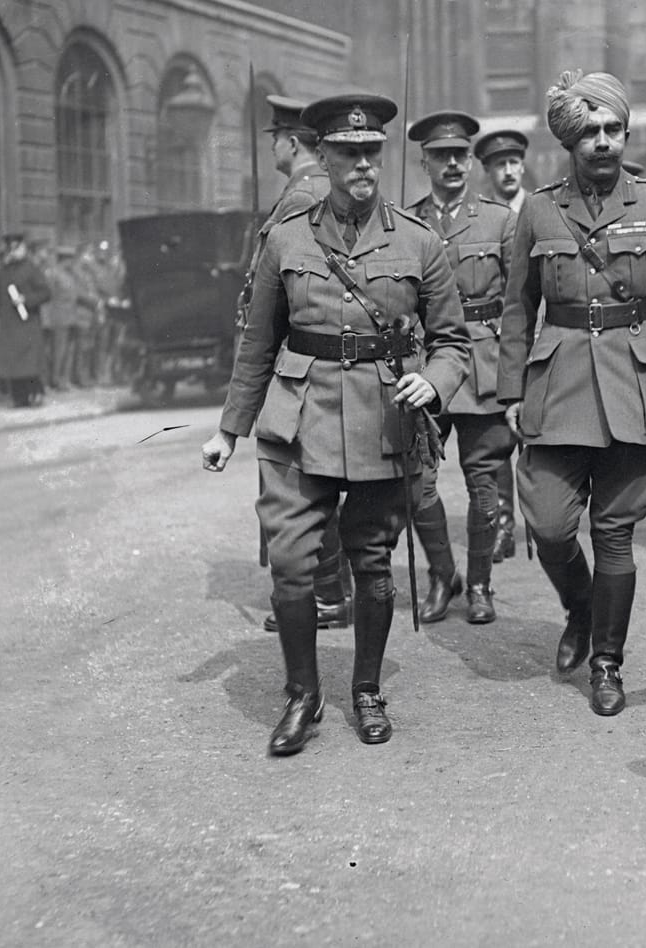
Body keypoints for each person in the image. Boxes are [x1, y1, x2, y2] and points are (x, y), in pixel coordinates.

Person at [201, 92, 471, 756]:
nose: (363, 166)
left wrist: (431, 386)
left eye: (372, 153)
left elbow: (455, 343)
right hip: (297, 418)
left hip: (385, 416)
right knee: (291, 565)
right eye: (348, 153)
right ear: (321, 155)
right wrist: (228, 431)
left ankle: (369, 688)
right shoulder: (287, 240)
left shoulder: (417, 240)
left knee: (373, 562)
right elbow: (258, 344)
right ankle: (302, 695)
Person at [497, 70, 646, 716]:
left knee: (614, 532)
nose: (602, 141)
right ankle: (580, 607)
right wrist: (512, 388)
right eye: (589, 131)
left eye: (612, 129)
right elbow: (518, 307)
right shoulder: (539, 209)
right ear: (569, 140)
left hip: (638, 383)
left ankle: (607, 664)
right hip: (559, 383)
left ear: (626, 132)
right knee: (548, 524)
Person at [246, 95, 352, 634]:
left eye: (274, 138)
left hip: (298, 356)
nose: (271, 147)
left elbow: (277, 284)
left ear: (292, 142)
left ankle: (324, 591)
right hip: (303, 352)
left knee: (301, 474)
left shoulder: (301, 195)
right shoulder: (308, 190)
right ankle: (328, 587)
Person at [405, 111, 517, 624]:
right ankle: (442, 574)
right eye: (440, 156)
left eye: (460, 155)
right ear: (423, 161)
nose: (452, 163)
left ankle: (479, 584)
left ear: (471, 161)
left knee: (484, 484)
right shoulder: (405, 223)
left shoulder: (499, 220)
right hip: (428, 367)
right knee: (417, 481)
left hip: (485, 366)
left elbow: (521, 304)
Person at [473, 128, 531, 561]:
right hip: (499, 340)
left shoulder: (541, 209)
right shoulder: (485, 217)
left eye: (514, 163)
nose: (508, 171)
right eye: (499, 165)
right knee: (499, 440)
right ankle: (504, 523)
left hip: (542, 334)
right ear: (488, 171)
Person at [0, 232, 51, 407]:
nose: (13, 252)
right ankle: (18, 398)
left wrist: (26, 299)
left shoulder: (31, 269)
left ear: (23, 249)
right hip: (9, 326)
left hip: (27, 323)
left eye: (17, 248)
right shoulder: (4, 271)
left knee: (29, 364)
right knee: (13, 365)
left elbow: (45, 293)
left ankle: (35, 394)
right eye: (10, 248)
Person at [44, 246, 80, 391]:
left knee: (68, 351)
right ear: (63, 259)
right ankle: (55, 379)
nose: (72, 262)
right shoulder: (53, 274)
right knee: (58, 351)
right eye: (70, 259)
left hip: (71, 316)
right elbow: (48, 298)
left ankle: (64, 379)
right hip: (58, 318)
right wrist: (47, 319)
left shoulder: (70, 275)